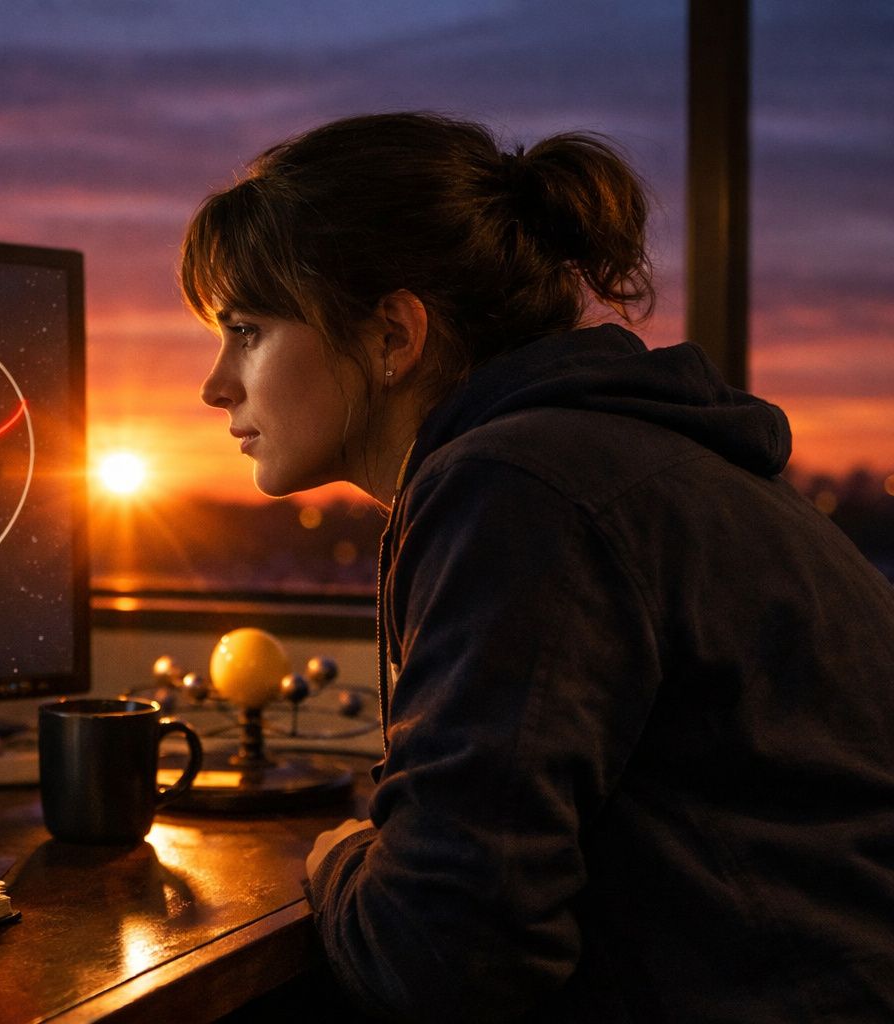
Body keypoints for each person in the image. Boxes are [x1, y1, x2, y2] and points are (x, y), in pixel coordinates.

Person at [181, 112, 894, 1021]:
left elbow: (444, 958)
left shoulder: (515, 488)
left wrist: (340, 862)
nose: (215, 384)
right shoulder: (606, 459)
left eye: (246, 329)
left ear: (393, 337)